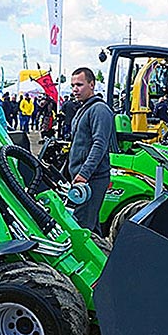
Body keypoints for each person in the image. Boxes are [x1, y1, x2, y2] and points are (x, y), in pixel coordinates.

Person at [68, 67, 115, 234]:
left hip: (91, 179)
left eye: (79, 84)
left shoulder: (99, 110)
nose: (75, 89)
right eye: (73, 85)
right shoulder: (84, 108)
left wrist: (84, 174)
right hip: (83, 178)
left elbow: (99, 145)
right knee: (92, 227)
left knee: (82, 228)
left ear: (92, 84)